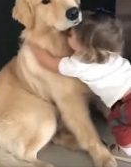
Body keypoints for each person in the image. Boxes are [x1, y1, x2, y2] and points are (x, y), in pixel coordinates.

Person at [29, 11, 131, 162]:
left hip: (124, 105)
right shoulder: (111, 52)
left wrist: (33, 45)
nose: (67, 34)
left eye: (70, 35)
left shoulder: (78, 65)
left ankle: (126, 152)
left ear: (84, 46)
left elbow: (49, 63)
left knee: (123, 130)